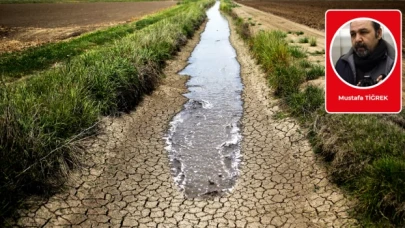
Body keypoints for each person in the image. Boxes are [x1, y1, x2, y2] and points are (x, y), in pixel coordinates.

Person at [335, 19, 395, 87]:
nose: (357, 39)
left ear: (378, 33)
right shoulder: (342, 64)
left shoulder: (395, 65)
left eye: (363, 32)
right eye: (353, 34)